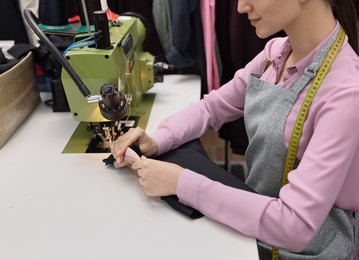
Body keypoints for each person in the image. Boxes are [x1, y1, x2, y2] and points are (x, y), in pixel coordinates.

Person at [111, 0, 359, 259]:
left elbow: (294, 225)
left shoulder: (345, 93)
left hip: (310, 250)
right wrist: (158, 140)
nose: (240, 7)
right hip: (255, 230)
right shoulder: (275, 55)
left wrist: (180, 182)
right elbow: (212, 108)